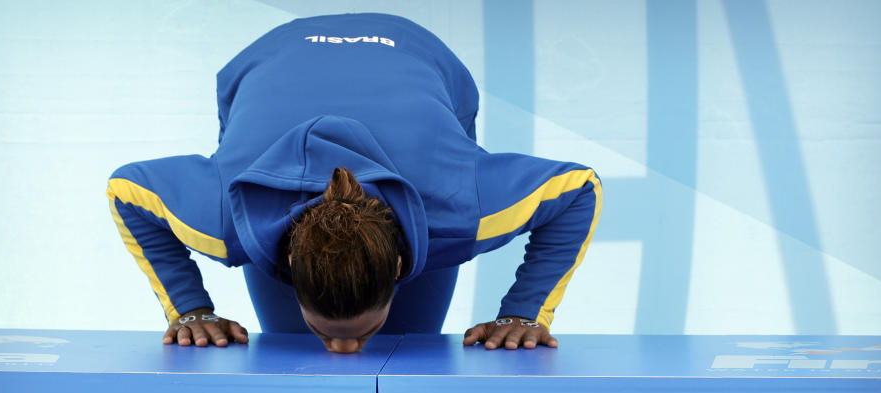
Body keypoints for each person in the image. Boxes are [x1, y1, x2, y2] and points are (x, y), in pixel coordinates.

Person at [107, 12, 602, 353]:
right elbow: (127, 191)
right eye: (328, 332)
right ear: (294, 258)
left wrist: (524, 314)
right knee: (298, 364)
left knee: (408, 360)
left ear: (401, 262)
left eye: (362, 330)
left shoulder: (457, 207)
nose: (344, 349)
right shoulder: (227, 214)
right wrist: (189, 311)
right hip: (267, 64)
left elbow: (578, 189)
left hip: (420, 59)